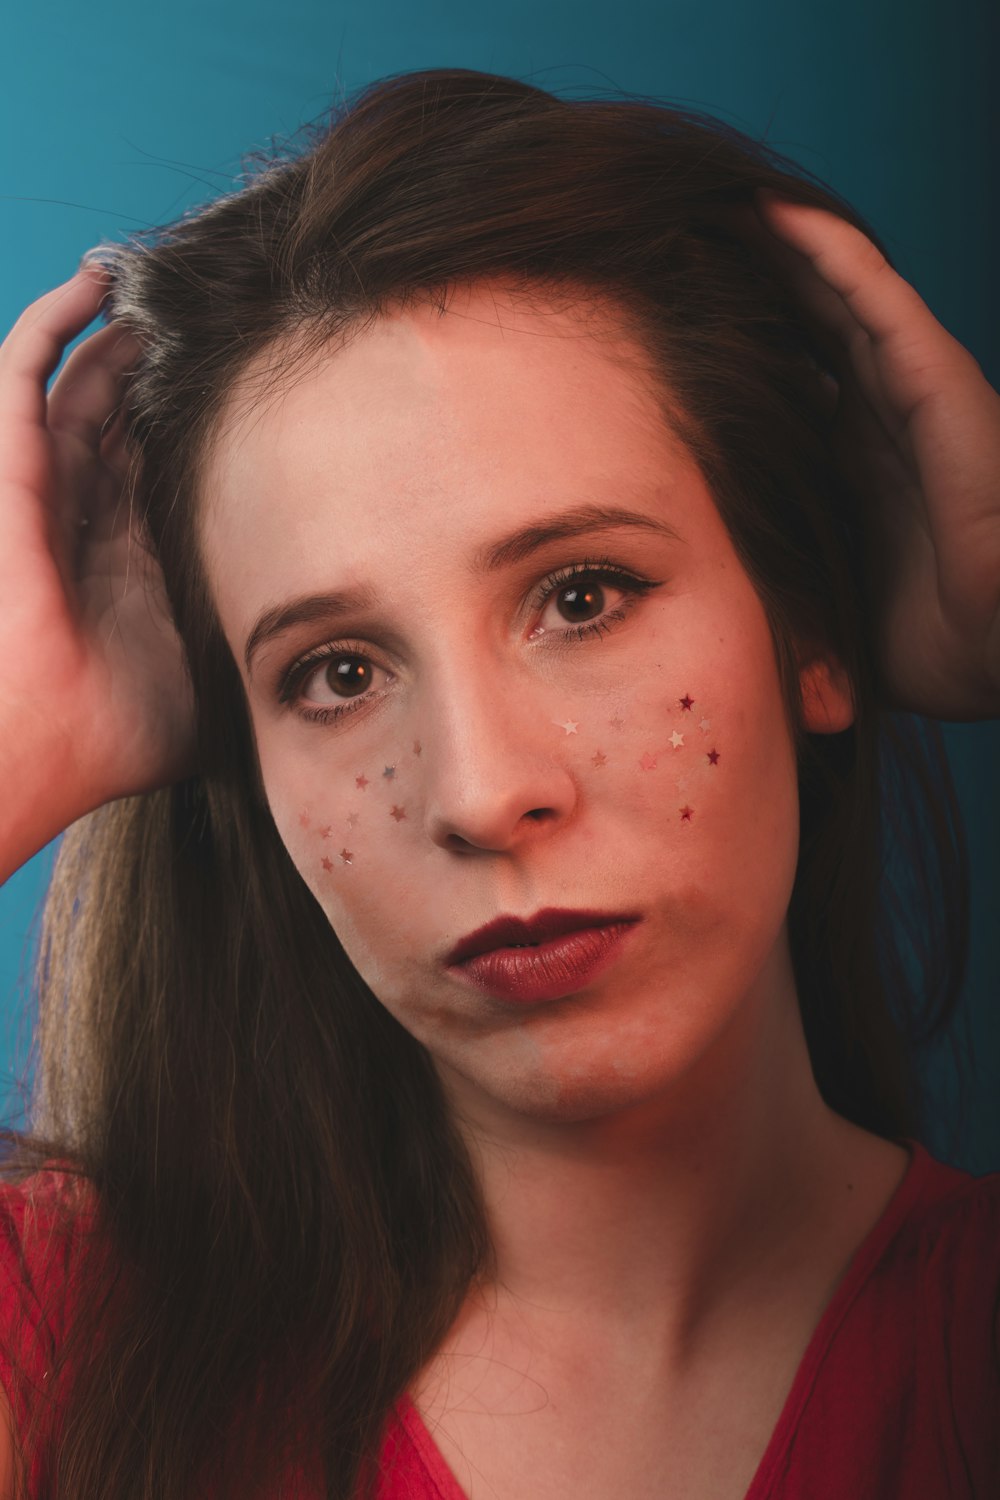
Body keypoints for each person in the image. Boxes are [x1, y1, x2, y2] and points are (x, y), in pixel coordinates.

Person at [0, 65, 996, 1500]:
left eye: (584, 596)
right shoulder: (69, 1349)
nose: (477, 793)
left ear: (807, 625)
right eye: (335, 674)